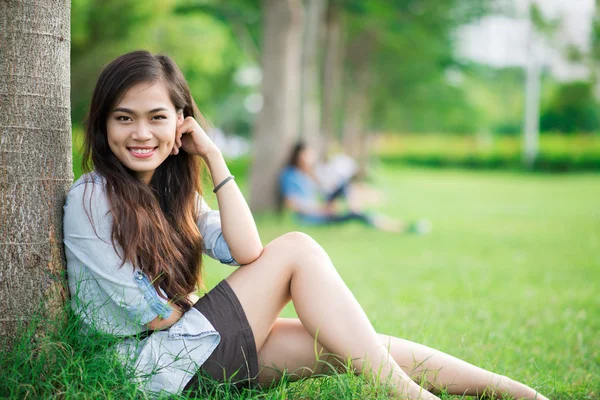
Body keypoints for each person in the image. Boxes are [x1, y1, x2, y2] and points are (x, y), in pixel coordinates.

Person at [63, 50, 548, 400]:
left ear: (180, 128)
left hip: (190, 353)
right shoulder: (91, 197)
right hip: (151, 372)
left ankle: (517, 393)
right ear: (103, 126)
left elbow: (246, 251)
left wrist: (213, 156)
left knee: (352, 345)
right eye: (124, 118)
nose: (141, 132)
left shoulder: (175, 196)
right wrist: (241, 314)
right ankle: (411, 398)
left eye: (157, 118)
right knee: (296, 248)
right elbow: (153, 316)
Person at [279, 141, 431, 234]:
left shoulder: (309, 173)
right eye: (308, 154)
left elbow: (326, 190)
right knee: (360, 216)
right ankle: (401, 228)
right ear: (299, 155)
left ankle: (355, 208)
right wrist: (321, 209)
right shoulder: (290, 175)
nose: (311, 158)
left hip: (323, 209)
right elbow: (291, 203)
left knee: (344, 185)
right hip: (313, 217)